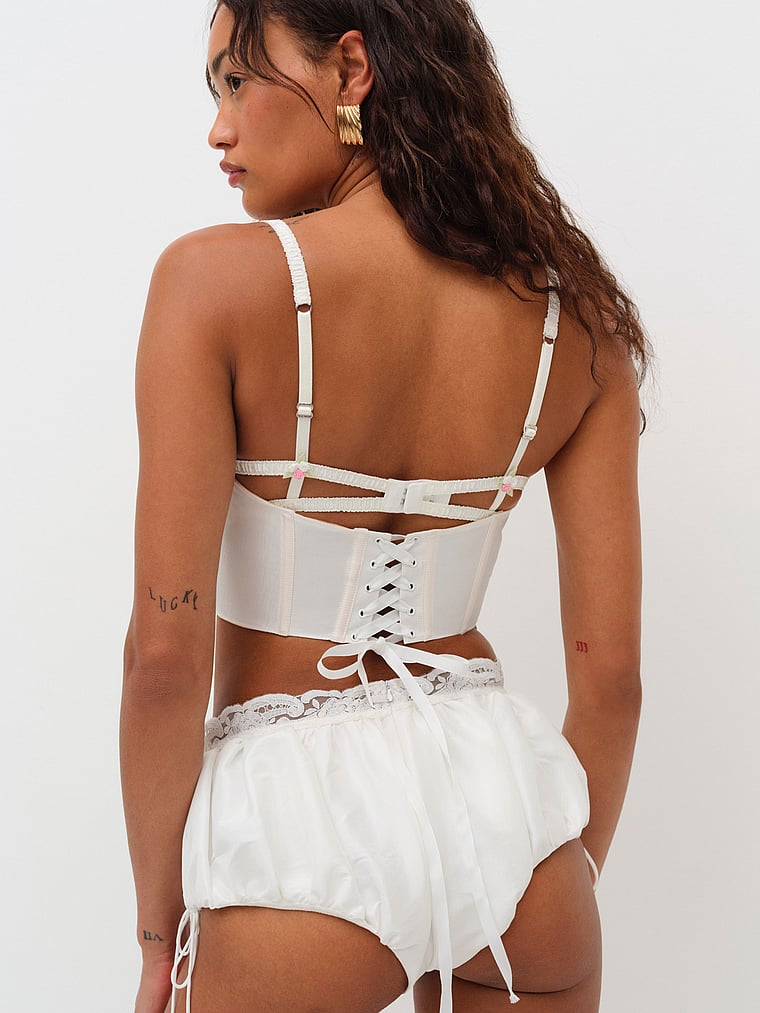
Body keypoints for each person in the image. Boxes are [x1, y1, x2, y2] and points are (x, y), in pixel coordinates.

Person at [120, 2, 647, 1011]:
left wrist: (159, 934)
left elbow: (163, 660)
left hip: (295, 847)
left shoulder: (212, 283)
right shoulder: (577, 322)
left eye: (238, 80)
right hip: (510, 828)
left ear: (351, 69)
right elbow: (613, 679)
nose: (219, 128)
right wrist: (561, 869)